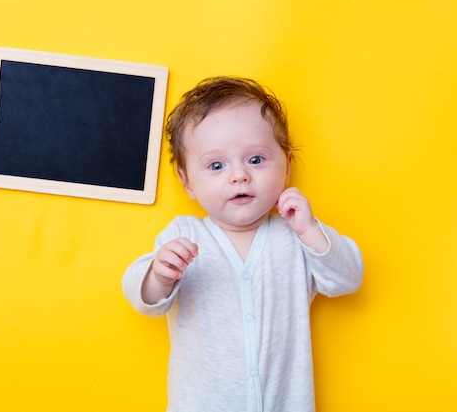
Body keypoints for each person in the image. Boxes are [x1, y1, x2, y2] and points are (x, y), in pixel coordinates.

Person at [122, 76, 363, 412]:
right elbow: (142, 296)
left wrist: (310, 230)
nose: (239, 176)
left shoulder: (295, 236)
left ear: (287, 165)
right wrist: (159, 275)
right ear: (187, 181)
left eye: (255, 160)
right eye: (217, 165)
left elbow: (348, 279)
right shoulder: (184, 235)